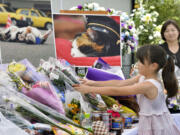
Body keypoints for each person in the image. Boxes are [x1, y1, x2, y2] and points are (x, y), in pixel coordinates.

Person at [73, 45, 180, 135]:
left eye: (141, 62)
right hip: (150, 122)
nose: (137, 64)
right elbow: (119, 83)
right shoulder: (142, 77)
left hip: (156, 126)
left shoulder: (149, 85)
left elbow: (118, 91)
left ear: (153, 66)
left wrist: (89, 89)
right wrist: (92, 83)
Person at [159, 20, 180, 85]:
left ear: (178, 32)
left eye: (173, 30)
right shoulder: (158, 49)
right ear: (163, 34)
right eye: (167, 31)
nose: (170, 33)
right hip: (164, 85)